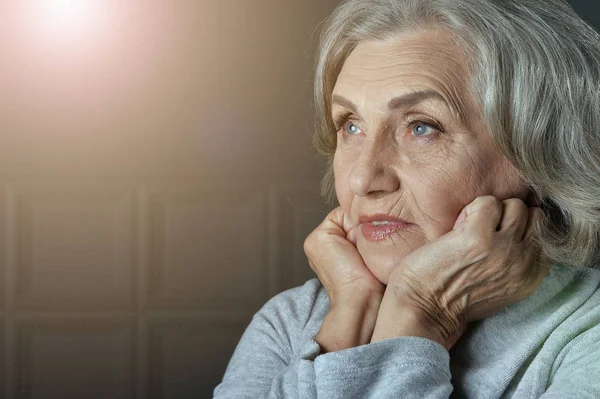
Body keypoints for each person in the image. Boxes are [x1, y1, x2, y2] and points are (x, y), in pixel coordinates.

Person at [213, 0, 600, 397]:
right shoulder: (292, 321)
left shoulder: (589, 336)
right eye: (351, 126)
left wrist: (419, 312)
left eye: (420, 127)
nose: (363, 178)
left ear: (541, 152)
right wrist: (351, 317)